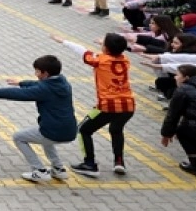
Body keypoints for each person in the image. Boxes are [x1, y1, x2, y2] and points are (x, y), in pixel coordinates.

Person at [0, 55, 77, 183]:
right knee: (45, 138)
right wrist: (21, 83)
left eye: (37, 71)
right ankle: (58, 169)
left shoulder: (45, 89)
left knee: (19, 137)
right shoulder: (63, 82)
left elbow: (19, 94)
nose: (35, 74)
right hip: (70, 130)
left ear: (45, 73)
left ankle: (39, 170)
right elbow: (38, 84)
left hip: (53, 130)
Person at [51, 33, 135, 177]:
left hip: (107, 105)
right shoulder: (125, 60)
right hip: (128, 105)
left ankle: (89, 163)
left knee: (84, 129)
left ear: (106, 49)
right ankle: (119, 161)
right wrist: (105, 45)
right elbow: (113, 53)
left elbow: (82, 51)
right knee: (116, 129)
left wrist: (64, 41)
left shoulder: (100, 60)